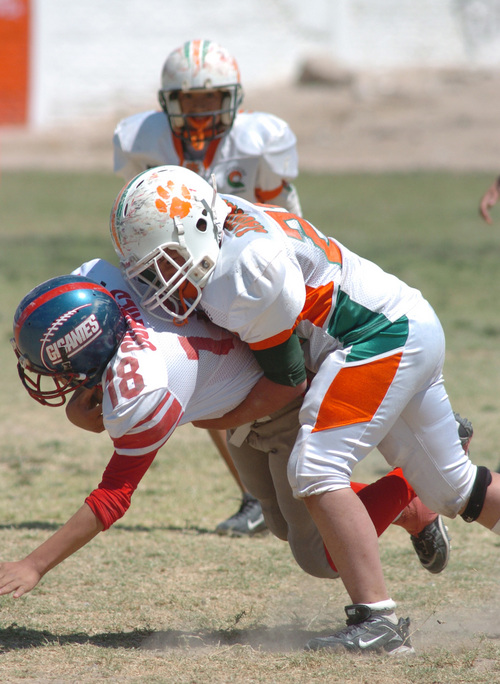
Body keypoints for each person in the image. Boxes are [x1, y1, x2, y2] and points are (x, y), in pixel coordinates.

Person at [109, 164, 498, 656]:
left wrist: (202, 416)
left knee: (315, 468)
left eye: (165, 262)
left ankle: (376, 622)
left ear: (199, 229)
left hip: (377, 339)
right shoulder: (225, 219)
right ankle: (388, 581)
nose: (158, 280)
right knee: (456, 488)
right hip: (404, 322)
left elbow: (286, 383)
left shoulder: (240, 275)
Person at [1, 262, 449, 602]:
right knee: (277, 521)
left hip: (276, 402)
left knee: (319, 554)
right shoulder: (99, 281)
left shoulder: (143, 385)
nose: (48, 377)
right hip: (241, 396)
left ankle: (412, 490)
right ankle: (406, 507)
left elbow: (112, 496)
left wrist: (34, 565)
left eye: (54, 368)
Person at [112, 38, 302, 536]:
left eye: (211, 98)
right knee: (210, 381)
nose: (200, 111)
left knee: (314, 365)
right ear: (169, 102)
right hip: (189, 279)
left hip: (258, 271)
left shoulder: (258, 140)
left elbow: (283, 217)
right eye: (191, 100)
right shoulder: (144, 140)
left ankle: (411, 436)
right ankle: (255, 495)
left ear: (233, 97)